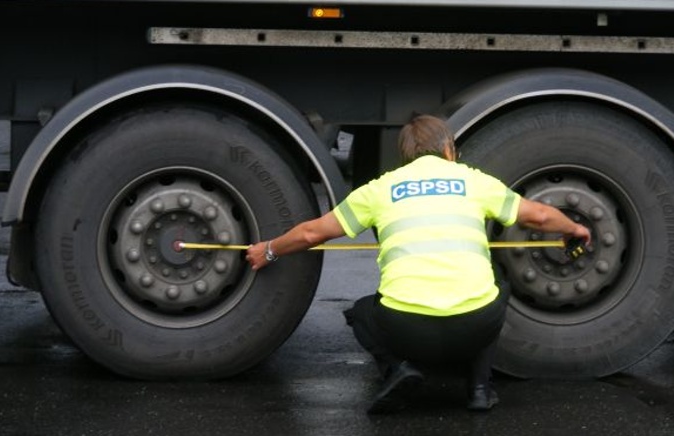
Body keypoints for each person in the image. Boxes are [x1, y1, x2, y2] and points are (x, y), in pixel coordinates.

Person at [246, 114, 591, 414]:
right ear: (447, 150)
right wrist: (575, 229)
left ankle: (397, 370)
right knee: (495, 288)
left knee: (361, 312)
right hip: (474, 327)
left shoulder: (380, 189)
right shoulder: (473, 180)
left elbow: (311, 233)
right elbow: (541, 216)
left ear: (406, 156)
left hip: (406, 332)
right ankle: (480, 390)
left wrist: (269, 250)